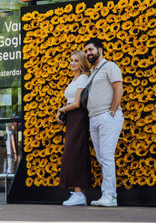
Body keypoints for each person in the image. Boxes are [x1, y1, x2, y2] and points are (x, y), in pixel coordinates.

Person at [84, 38, 124, 207]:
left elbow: (118, 89)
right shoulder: (93, 72)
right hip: (94, 118)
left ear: (100, 50)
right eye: (86, 51)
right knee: (102, 158)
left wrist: (111, 113)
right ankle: (106, 195)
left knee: (106, 157)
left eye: (91, 50)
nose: (88, 53)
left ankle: (110, 196)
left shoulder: (110, 66)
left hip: (107, 117)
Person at [56, 50, 91, 206]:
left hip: (78, 117)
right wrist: (64, 112)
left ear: (82, 62)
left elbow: (77, 103)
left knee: (74, 152)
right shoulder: (75, 79)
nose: (72, 63)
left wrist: (61, 110)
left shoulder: (83, 78)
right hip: (72, 118)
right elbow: (71, 101)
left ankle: (78, 193)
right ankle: (80, 194)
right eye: (71, 60)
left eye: (76, 60)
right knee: (74, 152)